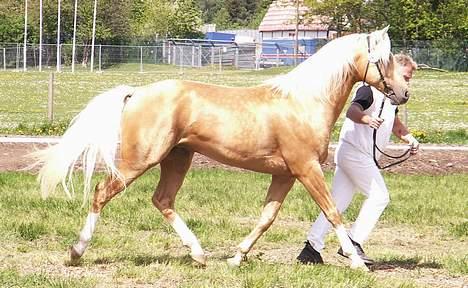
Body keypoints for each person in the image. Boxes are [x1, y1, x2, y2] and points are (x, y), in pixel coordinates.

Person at [297, 54, 419, 265]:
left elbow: (395, 124)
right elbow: (352, 111)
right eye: (405, 77)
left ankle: (311, 249)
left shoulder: (391, 98)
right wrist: (367, 119)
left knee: (336, 203)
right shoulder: (368, 90)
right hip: (355, 153)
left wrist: (409, 138)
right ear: (393, 71)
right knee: (380, 196)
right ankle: (353, 242)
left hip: (356, 155)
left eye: (408, 79)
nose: (406, 82)